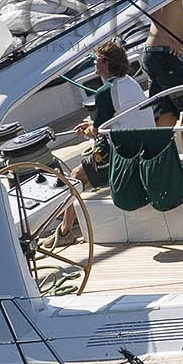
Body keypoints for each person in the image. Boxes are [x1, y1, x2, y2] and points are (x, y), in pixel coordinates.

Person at [59, 38, 154, 240]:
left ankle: (65, 232)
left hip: (123, 151)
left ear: (108, 63)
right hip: (143, 144)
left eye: (98, 60)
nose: (95, 63)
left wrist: (87, 131)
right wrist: (92, 127)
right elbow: (115, 118)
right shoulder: (130, 83)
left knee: (75, 177)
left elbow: (98, 130)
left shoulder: (105, 91)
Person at [143, 0, 183, 150]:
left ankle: (162, 156)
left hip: (156, 55)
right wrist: (166, 36)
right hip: (162, 54)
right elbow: (152, 7)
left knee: (167, 112)